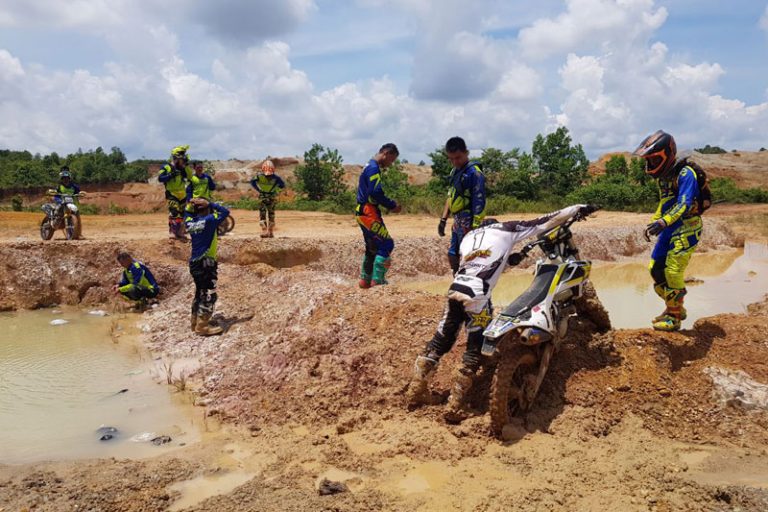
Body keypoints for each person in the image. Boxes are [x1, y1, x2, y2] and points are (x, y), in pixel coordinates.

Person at [407, 204, 598, 422]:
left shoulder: (469, 238)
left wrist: (510, 260)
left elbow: (482, 262)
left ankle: (416, 390)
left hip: (456, 289)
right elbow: (545, 221)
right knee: (474, 352)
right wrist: (578, 208)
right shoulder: (506, 229)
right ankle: (455, 405)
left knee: (441, 340)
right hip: (477, 296)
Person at [633, 130, 707, 332]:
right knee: (655, 269)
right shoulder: (663, 178)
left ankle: (674, 317)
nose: (650, 164)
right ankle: (675, 307)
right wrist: (654, 222)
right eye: (648, 160)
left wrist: (663, 222)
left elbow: (684, 203)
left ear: (667, 154)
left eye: (654, 159)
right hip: (668, 227)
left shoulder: (686, 174)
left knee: (673, 271)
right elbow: (665, 203)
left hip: (688, 227)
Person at [437, 137, 486, 275]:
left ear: (466, 153)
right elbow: (450, 196)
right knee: (453, 254)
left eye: (458, 158)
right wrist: (443, 220)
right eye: (451, 159)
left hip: (469, 221)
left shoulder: (474, 173)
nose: (455, 162)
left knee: (468, 255)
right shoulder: (455, 172)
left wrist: (475, 226)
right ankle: (457, 279)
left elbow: (479, 200)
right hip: (457, 220)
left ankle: (470, 282)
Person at [355, 143, 402, 288]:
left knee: (372, 246)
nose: (390, 164)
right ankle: (377, 281)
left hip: (361, 210)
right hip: (369, 211)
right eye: (391, 160)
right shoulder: (373, 168)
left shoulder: (368, 166)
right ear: (386, 153)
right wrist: (392, 205)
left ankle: (365, 281)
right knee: (387, 243)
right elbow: (375, 192)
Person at [184, 197, 230, 336]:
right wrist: (210, 203)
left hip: (194, 263)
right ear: (207, 209)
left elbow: (186, 213)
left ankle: (195, 322)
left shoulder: (190, 222)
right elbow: (225, 212)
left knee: (200, 292)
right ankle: (202, 326)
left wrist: (190, 204)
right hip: (206, 264)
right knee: (209, 294)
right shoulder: (209, 220)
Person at [159, 145, 193, 240]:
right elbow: (160, 178)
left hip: (182, 193)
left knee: (182, 214)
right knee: (174, 212)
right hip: (172, 193)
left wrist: (186, 165)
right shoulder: (166, 167)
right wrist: (170, 175)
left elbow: (190, 176)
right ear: (175, 157)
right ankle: (172, 232)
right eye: (180, 158)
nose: (182, 160)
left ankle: (180, 232)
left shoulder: (182, 168)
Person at [250, 160, 285, 238]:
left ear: (263, 169)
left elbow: (252, 182)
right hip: (271, 196)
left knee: (262, 213)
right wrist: (276, 189)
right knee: (271, 214)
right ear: (273, 169)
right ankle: (270, 232)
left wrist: (258, 189)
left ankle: (264, 231)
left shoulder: (259, 176)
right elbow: (282, 185)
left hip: (262, 196)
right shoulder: (276, 177)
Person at [53, 166, 84, 239]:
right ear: (61, 178)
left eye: (67, 178)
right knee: (57, 211)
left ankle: (79, 233)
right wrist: (58, 199)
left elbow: (78, 192)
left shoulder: (73, 186)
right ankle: (54, 222)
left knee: (77, 213)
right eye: (64, 178)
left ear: (69, 178)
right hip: (61, 202)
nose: (65, 180)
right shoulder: (59, 186)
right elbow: (56, 196)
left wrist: (80, 193)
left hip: (70, 203)